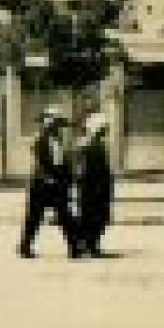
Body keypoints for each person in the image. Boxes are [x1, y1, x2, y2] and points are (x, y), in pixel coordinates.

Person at [19, 109, 81, 259]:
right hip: (41, 185)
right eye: (56, 123)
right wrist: (48, 177)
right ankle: (25, 246)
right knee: (34, 217)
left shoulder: (58, 141)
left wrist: (68, 179)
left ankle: (75, 248)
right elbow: (41, 162)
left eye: (59, 124)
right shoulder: (39, 139)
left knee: (65, 216)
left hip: (57, 185)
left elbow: (62, 163)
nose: (58, 127)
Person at [73, 109, 115, 258]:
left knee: (99, 217)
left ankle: (90, 244)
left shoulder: (96, 145)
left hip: (99, 187)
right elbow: (81, 169)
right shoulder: (86, 146)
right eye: (102, 129)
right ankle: (89, 245)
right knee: (91, 216)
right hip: (91, 187)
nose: (104, 132)